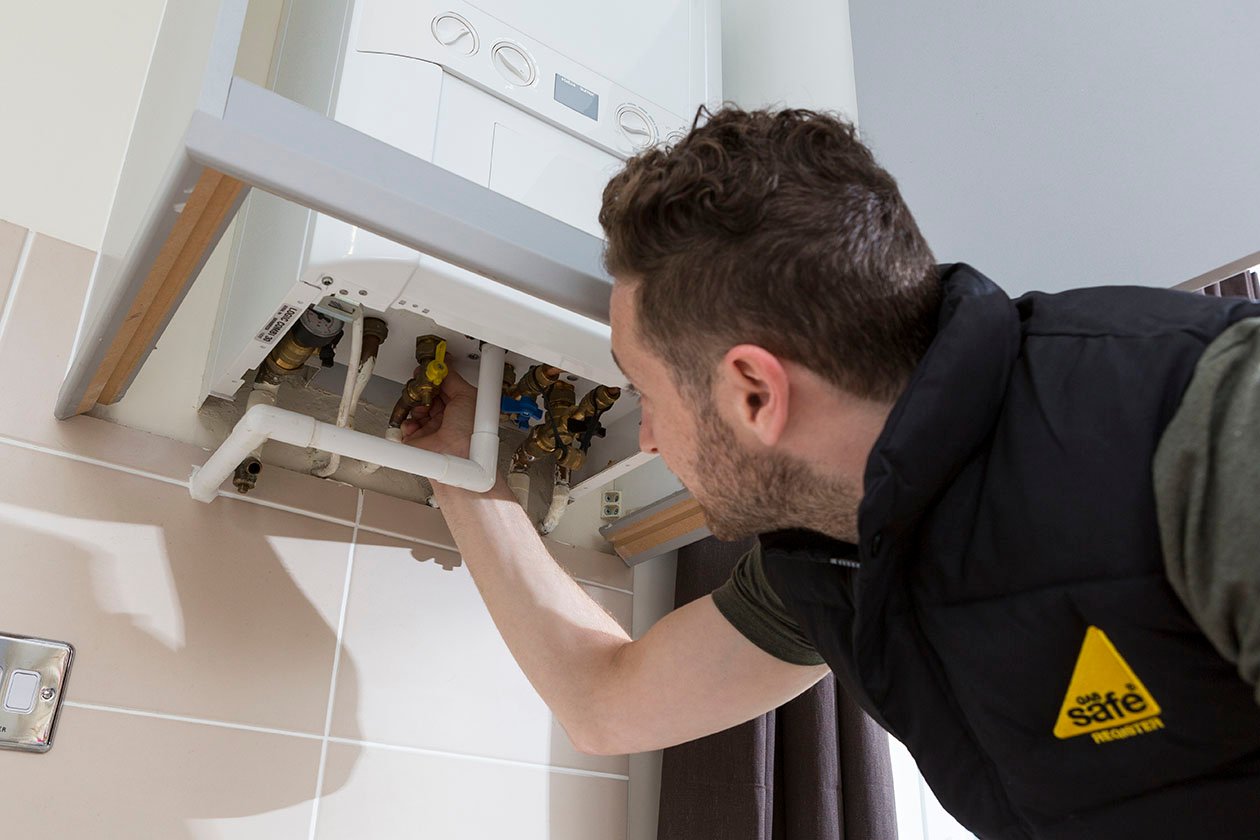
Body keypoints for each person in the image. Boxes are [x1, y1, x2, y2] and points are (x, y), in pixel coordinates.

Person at [400, 107, 1260, 840]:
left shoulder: (1208, 418)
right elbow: (606, 705)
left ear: (752, 392)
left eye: (646, 392)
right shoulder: (833, 558)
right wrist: (459, 469)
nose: (650, 437)